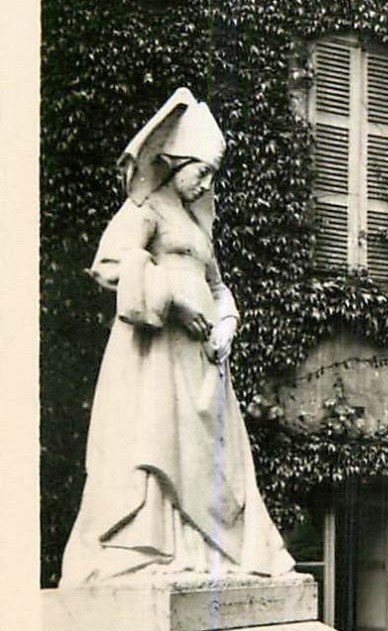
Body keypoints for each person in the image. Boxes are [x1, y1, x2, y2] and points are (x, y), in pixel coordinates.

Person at [59, 88, 295, 585]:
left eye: (211, 174)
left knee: (213, 460)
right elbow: (109, 265)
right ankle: (153, 549)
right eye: (200, 171)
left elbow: (218, 286)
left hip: (204, 363)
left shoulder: (199, 227)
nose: (206, 183)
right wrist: (174, 299)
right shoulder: (147, 208)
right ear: (174, 163)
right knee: (158, 441)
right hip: (157, 355)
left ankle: (208, 551)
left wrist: (226, 322)